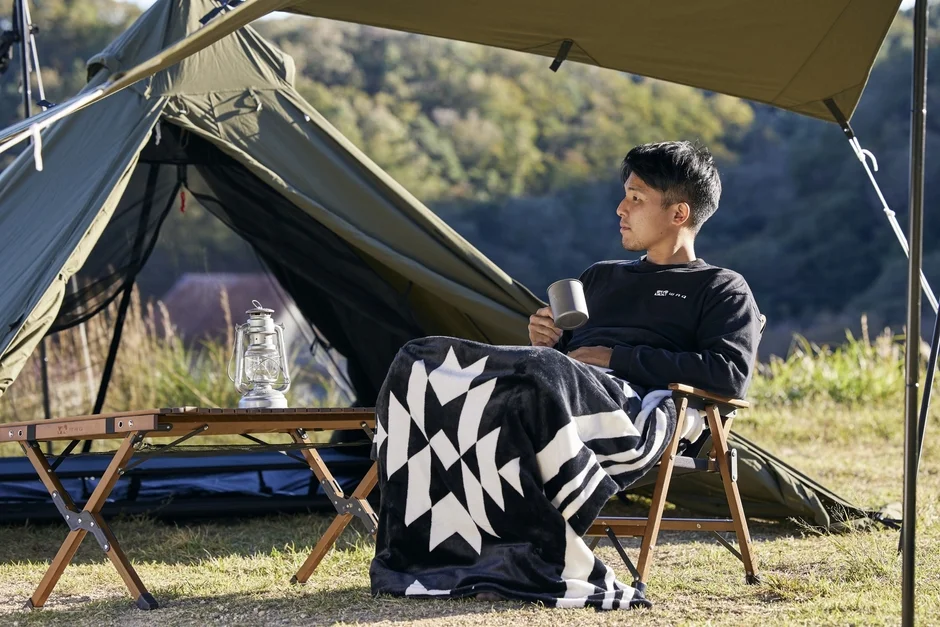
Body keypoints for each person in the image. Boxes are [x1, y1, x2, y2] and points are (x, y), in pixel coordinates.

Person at [528, 141, 761, 399]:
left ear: (679, 214)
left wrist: (617, 358)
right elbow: (566, 358)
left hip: (625, 406)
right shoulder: (599, 276)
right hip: (560, 390)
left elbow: (730, 374)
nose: (621, 209)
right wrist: (545, 343)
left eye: (636, 198)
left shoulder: (721, 288)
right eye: (625, 196)